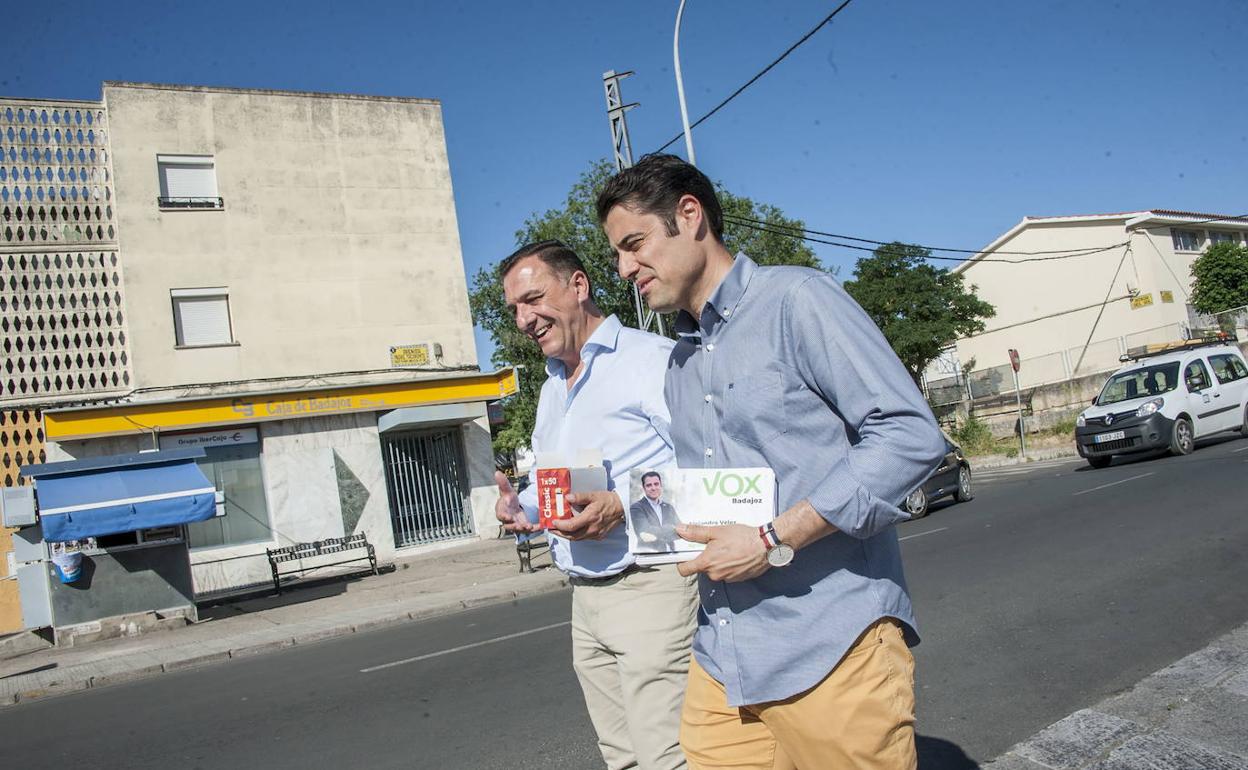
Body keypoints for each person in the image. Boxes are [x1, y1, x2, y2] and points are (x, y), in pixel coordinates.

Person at [597, 154, 947, 770]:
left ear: (689, 214)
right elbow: (706, 493)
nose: (625, 269)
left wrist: (772, 537)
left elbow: (910, 436)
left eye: (634, 245)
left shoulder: (798, 300)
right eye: (618, 256)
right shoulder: (679, 363)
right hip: (724, 657)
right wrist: (623, 508)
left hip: (831, 645)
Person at [494, 239, 699, 770]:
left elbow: (710, 468)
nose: (522, 319)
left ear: (579, 286)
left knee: (666, 759)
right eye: (514, 308)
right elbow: (556, 481)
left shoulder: (651, 360)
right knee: (622, 759)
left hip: (653, 586)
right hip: (584, 596)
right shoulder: (551, 388)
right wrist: (528, 512)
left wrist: (622, 504)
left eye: (533, 299)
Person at [629, 470, 681, 552]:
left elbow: (680, 531)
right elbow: (644, 532)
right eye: (649, 485)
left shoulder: (669, 507)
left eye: (656, 484)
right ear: (644, 488)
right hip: (648, 555)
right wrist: (671, 528)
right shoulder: (636, 508)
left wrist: (656, 533)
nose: (653, 488)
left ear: (661, 486)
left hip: (671, 554)